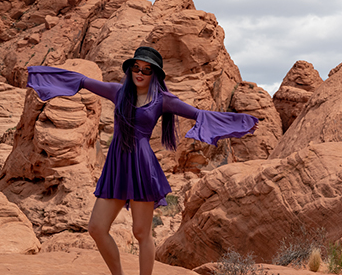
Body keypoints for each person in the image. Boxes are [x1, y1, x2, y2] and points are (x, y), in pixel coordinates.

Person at [26, 46, 259, 275]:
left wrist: (240, 123)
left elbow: (201, 115)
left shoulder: (162, 100)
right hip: (117, 166)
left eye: (147, 70)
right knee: (96, 228)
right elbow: (81, 81)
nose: (140, 73)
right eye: (136, 67)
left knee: (141, 233)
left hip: (142, 166)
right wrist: (40, 76)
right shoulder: (118, 92)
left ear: (154, 74)